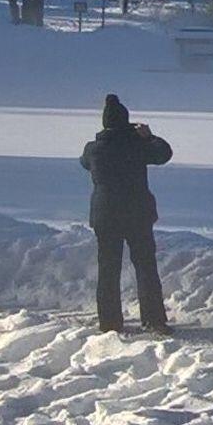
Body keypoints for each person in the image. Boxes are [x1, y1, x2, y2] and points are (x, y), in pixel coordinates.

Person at [80, 94, 173, 334]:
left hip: (105, 216)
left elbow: (84, 162)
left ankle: (109, 322)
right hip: (137, 214)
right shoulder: (138, 145)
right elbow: (164, 154)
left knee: (108, 269)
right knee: (145, 266)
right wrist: (149, 136)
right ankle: (154, 320)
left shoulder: (94, 149)